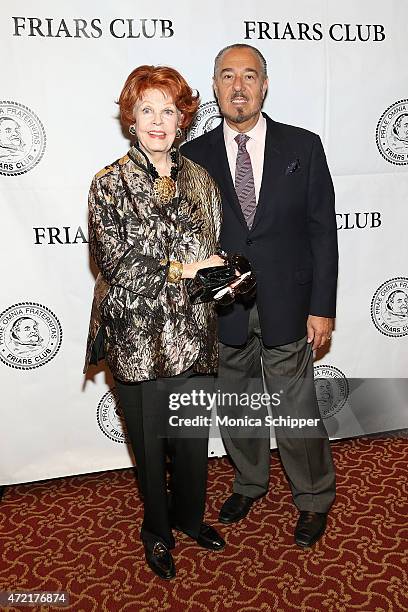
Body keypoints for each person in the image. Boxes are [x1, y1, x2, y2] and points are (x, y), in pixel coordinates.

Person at [182, 43, 338, 548]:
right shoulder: (193, 156)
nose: (239, 86)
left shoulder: (304, 146)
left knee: (296, 406)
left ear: (264, 85)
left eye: (249, 76)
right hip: (223, 307)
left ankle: (313, 497)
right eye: (227, 75)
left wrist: (322, 307)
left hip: (289, 303)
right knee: (236, 404)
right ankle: (249, 482)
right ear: (215, 86)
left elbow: (322, 233)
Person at [83, 65, 226, 580]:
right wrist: (186, 269)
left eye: (169, 109)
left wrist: (228, 277)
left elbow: (208, 253)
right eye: (147, 110)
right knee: (149, 444)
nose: (158, 121)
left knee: (189, 440)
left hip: (192, 332)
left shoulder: (201, 179)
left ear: (184, 117)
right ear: (131, 118)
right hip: (136, 335)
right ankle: (157, 532)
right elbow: (116, 264)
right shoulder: (109, 183)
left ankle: (190, 519)